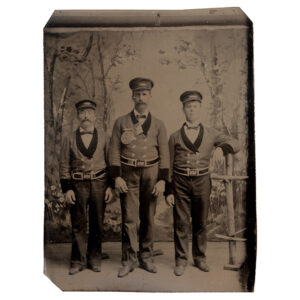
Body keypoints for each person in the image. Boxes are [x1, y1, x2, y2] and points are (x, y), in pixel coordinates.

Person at [165, 91, 240, 276]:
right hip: (180, 181)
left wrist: (221, 148)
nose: (192, 109)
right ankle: (181, 260)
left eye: (195, 106)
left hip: (202, 181)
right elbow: (168, 166)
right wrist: (169, 191)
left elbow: (236, 143)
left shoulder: (211, 133)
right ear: (183, 109)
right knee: (181, 222)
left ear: (200, 109)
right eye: (188, 107)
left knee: (201, 222)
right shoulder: (174, 137)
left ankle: (200, 258)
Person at [109, 77, 169, 278]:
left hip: (151, 175)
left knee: (148, 218)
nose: (141, 98)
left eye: (145, 94)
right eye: (138, 94)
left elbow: (165, 155)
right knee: (129, 218)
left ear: (150, 97)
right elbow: (114, 151)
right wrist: (116, 177)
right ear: (132, 96)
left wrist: (162, 180)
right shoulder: (121, 122)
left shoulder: (159, 124)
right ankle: (128, 260)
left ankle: (147, 257)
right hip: (128, 175)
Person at [59, 99, 113, 275]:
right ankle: (77, 260)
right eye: (82, 112)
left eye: (89, 112)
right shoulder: (69, 138)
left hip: (99, 184)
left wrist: (110, 187)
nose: (86, 116)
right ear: (78, 116)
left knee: (97, 223)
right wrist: (67, 188)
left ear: (95, 115)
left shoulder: (105, 136)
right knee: (78, 223)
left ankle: (94, 258)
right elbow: (64, 164)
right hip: (77, 186)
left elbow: (111, 163)